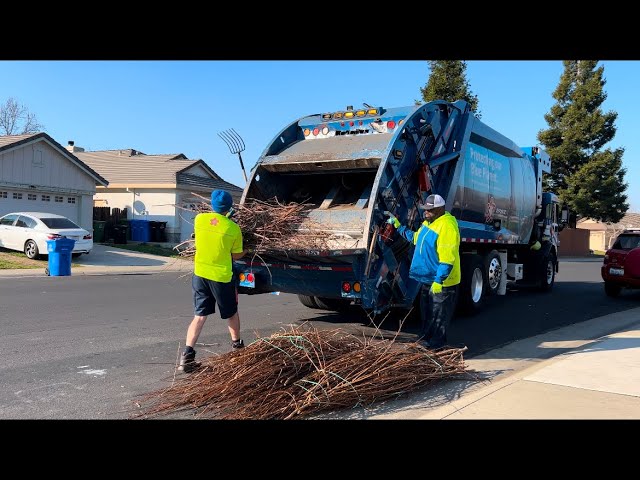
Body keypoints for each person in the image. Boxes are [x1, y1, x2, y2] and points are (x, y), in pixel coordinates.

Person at [179, 189, 246, 373]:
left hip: (200, 274)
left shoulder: (200, 220)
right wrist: (247, 251)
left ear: (212, 205)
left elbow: (212, 226)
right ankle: (237, 349)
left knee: (199, 315)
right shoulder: (232, 229)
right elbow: (236, 254)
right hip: (221, 277)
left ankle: (187, 356)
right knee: (231, 313)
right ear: (230, 207)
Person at [386, 193, 461, 349]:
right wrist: (399, 227)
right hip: (427, 279)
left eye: (429, 210)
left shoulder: (447, 226)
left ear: (440, 209)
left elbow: (448, 259)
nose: (425, 213)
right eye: (425, 209)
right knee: (427, 314)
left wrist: (439, 281)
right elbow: (415, 239)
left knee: (438, 316)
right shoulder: (428, 224)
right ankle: (427, 341)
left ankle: (437, 347)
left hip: (442, 283)